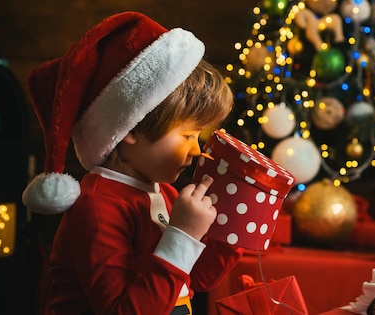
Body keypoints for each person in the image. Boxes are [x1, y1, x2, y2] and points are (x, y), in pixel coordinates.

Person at [22, 11, 244, 314]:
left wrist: (230, 230)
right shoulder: (98, 206)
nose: (196, 151)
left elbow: (192, 280)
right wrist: (182, 235)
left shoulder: (163, 193)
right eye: (189, 135)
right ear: (133, 128)